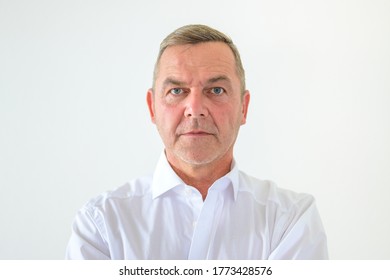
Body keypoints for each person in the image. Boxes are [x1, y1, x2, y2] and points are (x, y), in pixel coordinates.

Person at [65, 24, 328, 259]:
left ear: (243, 108)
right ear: (152, 108)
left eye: (216, 90)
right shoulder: (100, 225)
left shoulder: (290, 220)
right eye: (176, 91)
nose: (195, 108)